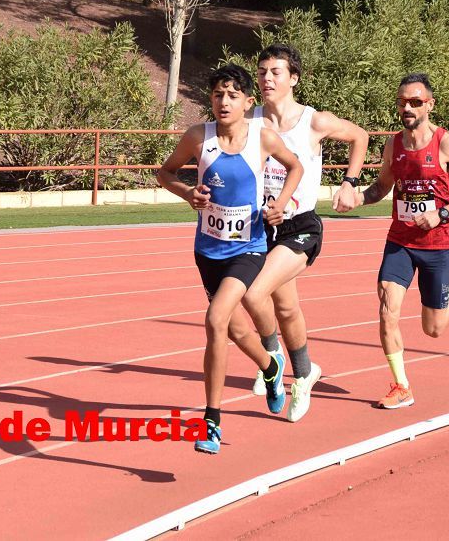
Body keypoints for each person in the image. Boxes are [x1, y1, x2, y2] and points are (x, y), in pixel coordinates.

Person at [156, 64, 303, 454]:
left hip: (248, 248)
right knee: (237, 331)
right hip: (208, 250)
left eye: (233, 95)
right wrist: (187, 193)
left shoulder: (263, 138)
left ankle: (211, 423)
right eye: (218, 95)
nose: (224, 102)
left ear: (247, 102)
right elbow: (164, 173)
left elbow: (296, 167)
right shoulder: (197, 137)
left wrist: (280, 204)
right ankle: (272, 369)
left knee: (215, 319)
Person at [224, 44, 369, 423]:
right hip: (259, 227)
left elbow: (360, 136)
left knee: (255, 293)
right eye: (262, 72)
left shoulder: (313, 121)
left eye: (275, 72)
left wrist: (350, 182)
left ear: (294, 79)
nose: (267, 78)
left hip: (300, 226)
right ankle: (305, 373)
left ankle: (271, 356)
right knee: (285, 308)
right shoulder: (249, 120)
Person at [353, 73, 449, 408]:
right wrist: (358, 198)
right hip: (400, 240)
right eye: (402, 102)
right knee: (387, 310)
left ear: (430, 104)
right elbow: (382, 187)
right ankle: (401, 385)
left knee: (434, 330)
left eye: (414, 102)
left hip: (437, 244)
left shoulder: (446, 144)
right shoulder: (393, 145)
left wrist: (441, 214)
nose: (407, 108)